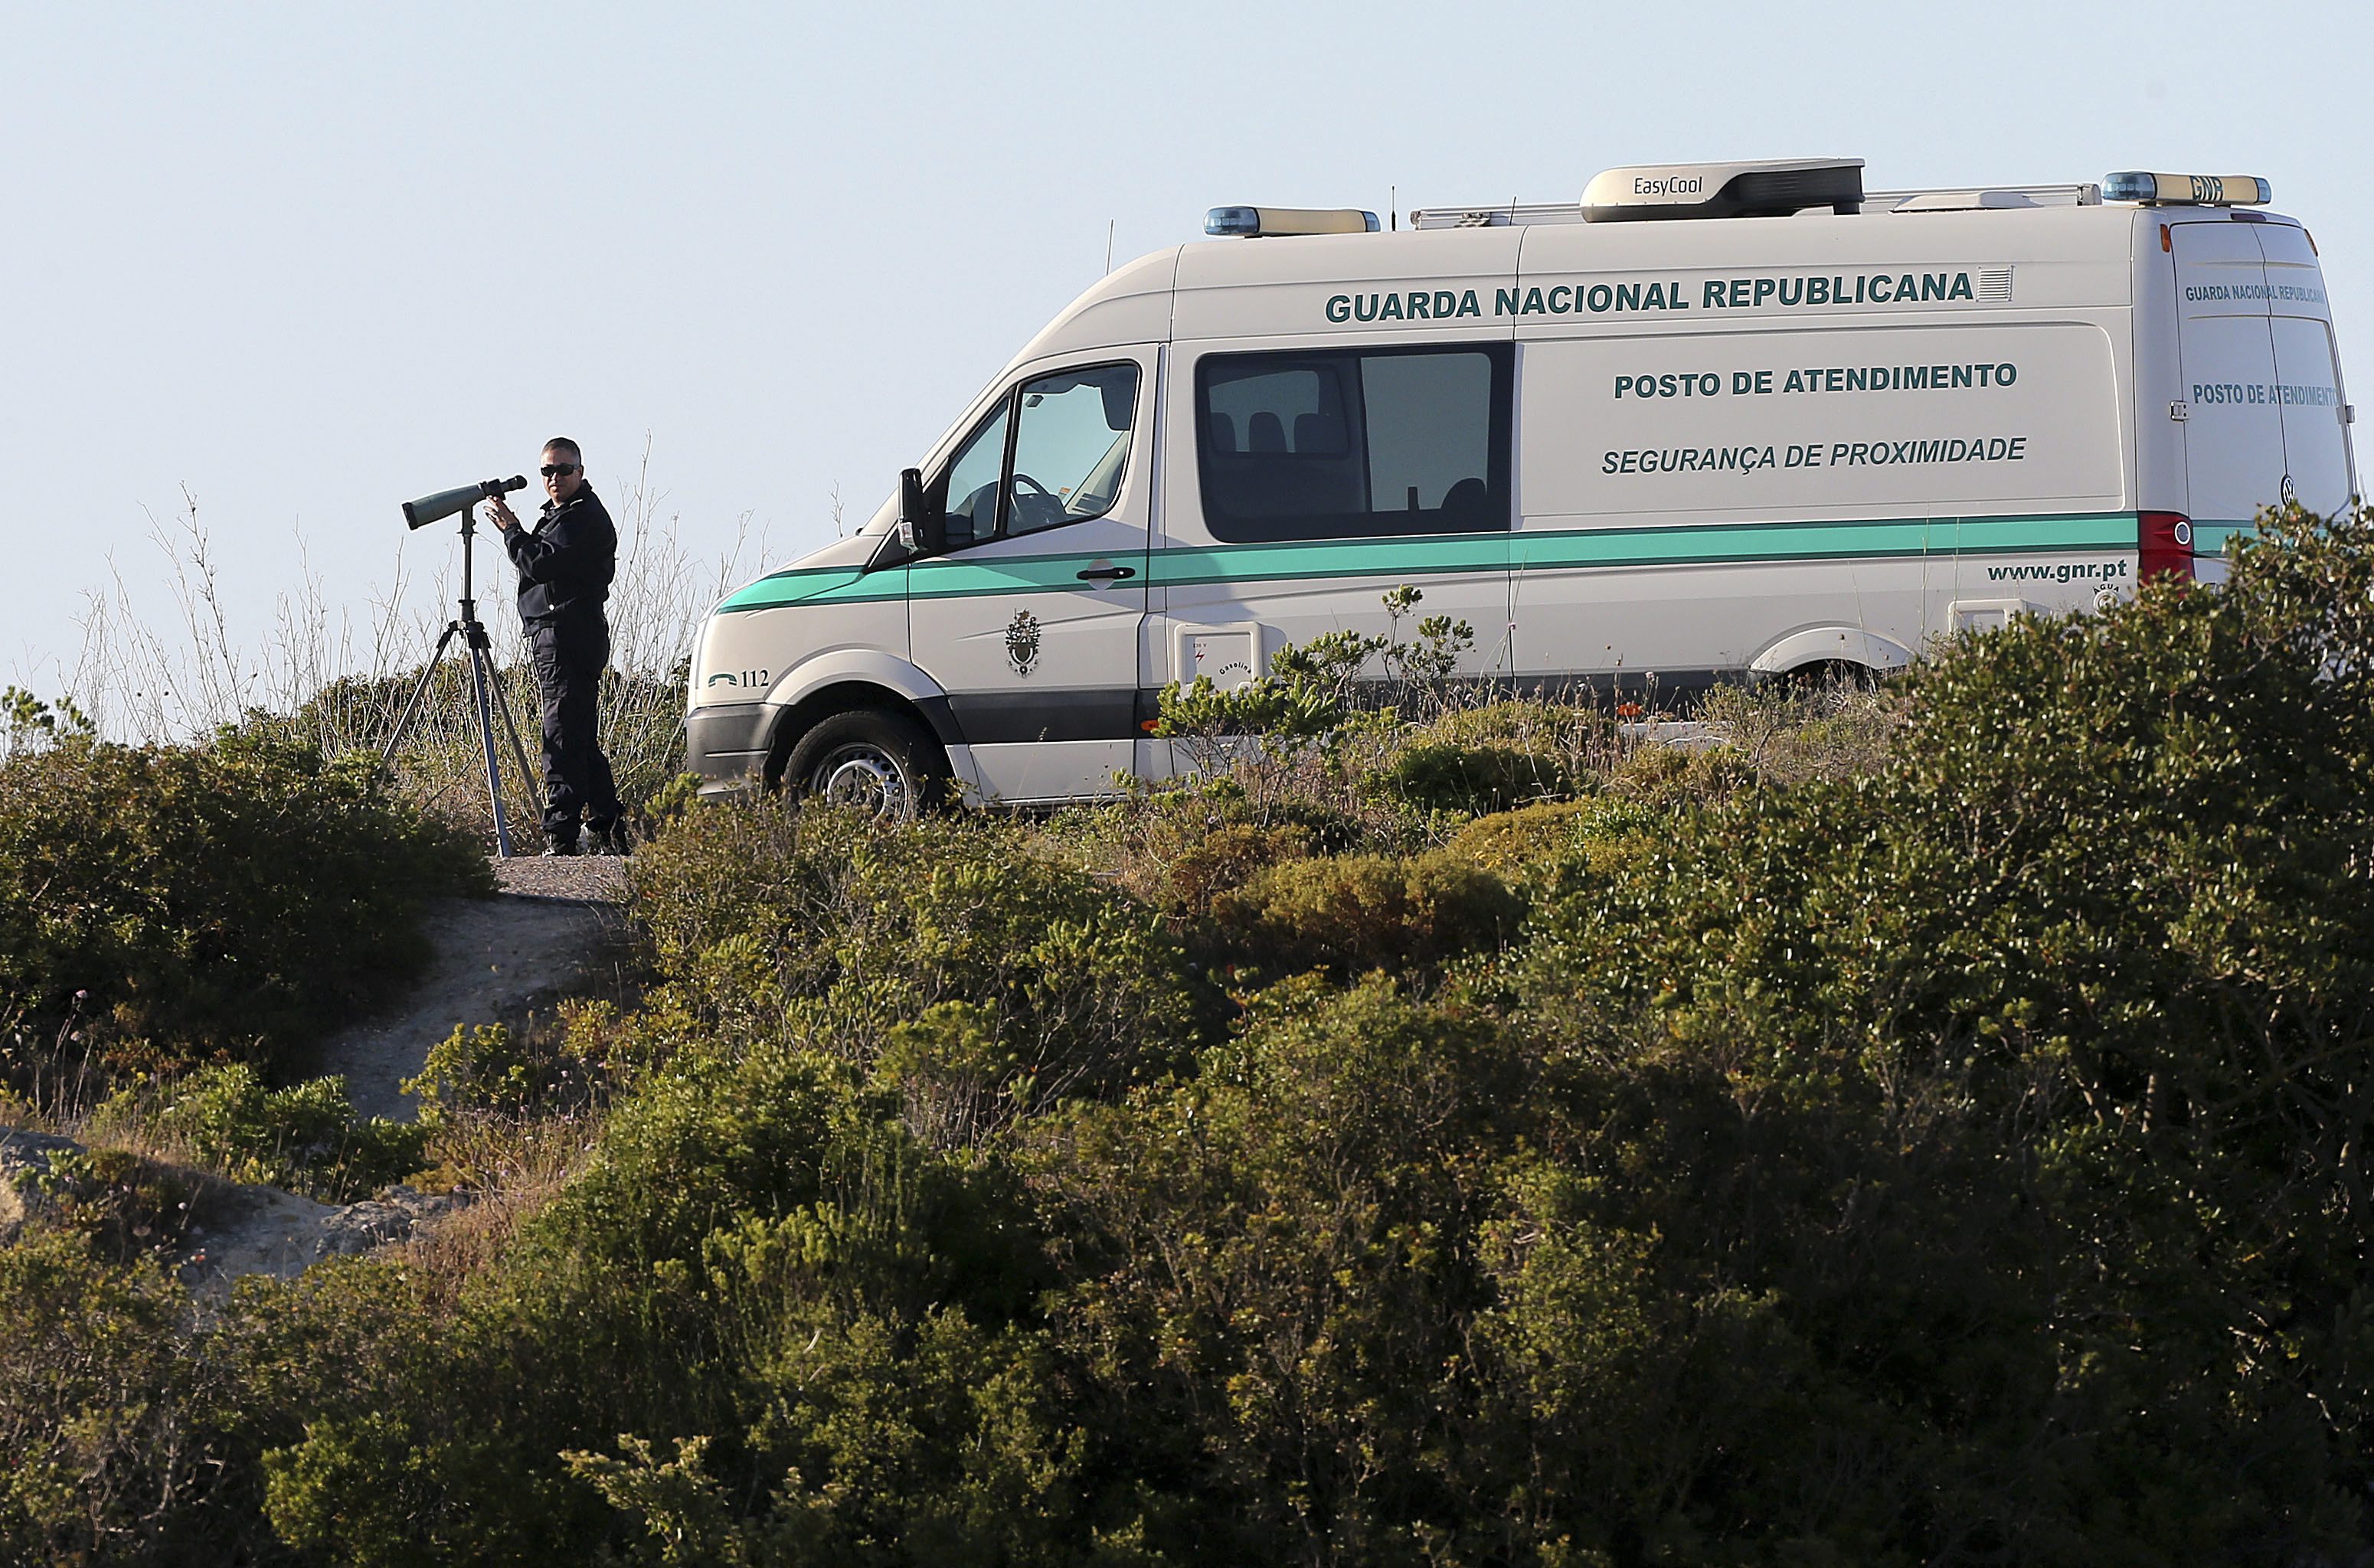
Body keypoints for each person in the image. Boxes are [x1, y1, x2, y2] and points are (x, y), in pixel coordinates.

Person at [485, 438, 625, 855]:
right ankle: (609, 825)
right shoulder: (563, 516)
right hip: (562, 633)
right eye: (547, 471)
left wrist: (511, 529)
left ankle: (562, 835)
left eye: (563, 470)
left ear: (580, 472)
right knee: (579, 736)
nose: (554, 479)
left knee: (561, 734)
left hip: (567, 634)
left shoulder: (581, 518)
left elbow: (540, 562)